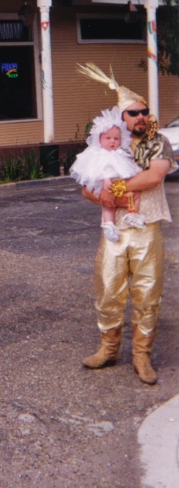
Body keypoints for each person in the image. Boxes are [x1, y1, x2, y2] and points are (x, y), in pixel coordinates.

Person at [77, 63, 177, 384]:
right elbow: (87, 187)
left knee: (147, 292)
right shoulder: (108, 143)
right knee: (108, 287)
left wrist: (117, 189)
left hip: (147, 226)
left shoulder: (158, 140)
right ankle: (108, 349)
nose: (140, 118)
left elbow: (155, 174)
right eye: (133, 113)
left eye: (144, 111)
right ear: (121, 118)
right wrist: (103, 198)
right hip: (116, 228)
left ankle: (141, 356)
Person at [69, 106, 145, 241]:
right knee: (108, 204)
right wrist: (106, 180)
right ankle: (109, 224)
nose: (112, 141)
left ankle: (131, 214)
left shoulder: (120, 153)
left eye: (116, 138)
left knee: (132, 196)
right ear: (99, 139)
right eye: (108, 138)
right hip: (108, 184)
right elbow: (102, 168)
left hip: (120, 183)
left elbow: (128, 168)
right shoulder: (100, 154)